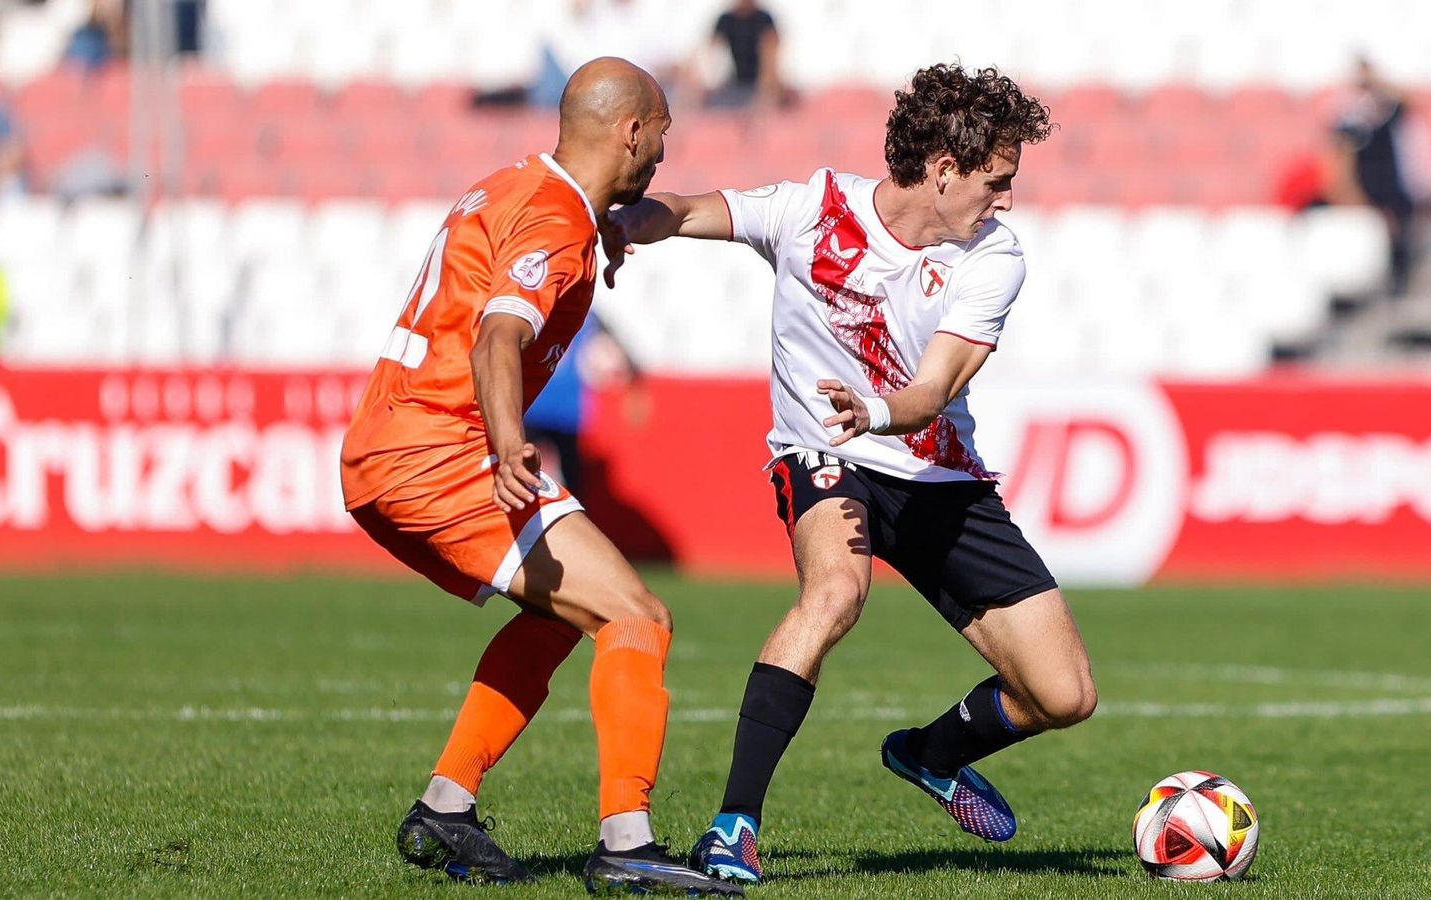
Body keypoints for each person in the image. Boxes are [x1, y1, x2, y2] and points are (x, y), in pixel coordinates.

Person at [610, 63, 1097, 885]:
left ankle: (929, 754)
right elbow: (688, 209)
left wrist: (874, 410)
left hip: (937, 476)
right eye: (998, 180)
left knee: (1064, 695)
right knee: (835, 592)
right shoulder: (812, 209)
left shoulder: (993, 258)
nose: (1008, 200)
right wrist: (625, 223)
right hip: (826, 457)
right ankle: (733, 826)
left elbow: (933, 390)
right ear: (943, 169)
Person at [340, 57, 739, 896]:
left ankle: (446, 807)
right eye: (662, 135)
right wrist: (508, 442)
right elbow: (498, 335)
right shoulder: (555, 218)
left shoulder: (513, 188)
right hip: (440, 450)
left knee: (565, 614)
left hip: (390, 444)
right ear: (631, 130)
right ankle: (627, 845)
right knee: (637, 616)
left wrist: (603, 233)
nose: (664, 154)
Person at [1326, 57, 1431, 296]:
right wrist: (1345, 189)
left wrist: (1377, 81)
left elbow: (1411, 102)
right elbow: (1341, 149)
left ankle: (1401, 284)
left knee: (1402, 236)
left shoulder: (1386, 103)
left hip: (1394, 184)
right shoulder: (1349, 109)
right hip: (1366, 185)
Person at [703, 0, 790, 109]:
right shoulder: (726, 20)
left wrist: (766, 94)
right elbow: (707, 53)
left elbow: (771, 60)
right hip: (736, 87)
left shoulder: (764, 20)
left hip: (759, 88)